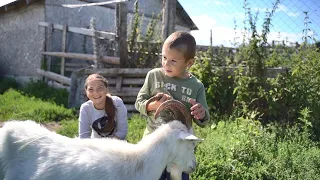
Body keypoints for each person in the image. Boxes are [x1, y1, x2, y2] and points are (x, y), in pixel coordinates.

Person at [135, 31, 210, 180]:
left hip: (179, 147)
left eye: (173, 61)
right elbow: (139, 103)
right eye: (164, 57)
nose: (166, 64)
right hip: (153, 143)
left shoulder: (196, 86)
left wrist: (201, 114)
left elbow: (204, 119)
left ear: (189, 63)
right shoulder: (154, 75)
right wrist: (153, 106)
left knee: (178, 177)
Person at [79, 73, 128, 140]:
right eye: (91, 89)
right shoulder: (85, 108)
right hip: (96, 147)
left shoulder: (116, 102)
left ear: (106, 89)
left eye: (100, 88)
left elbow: (122, 132)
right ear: (86, 91)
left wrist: (106, 147)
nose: (96, 93)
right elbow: (83, 137)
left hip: (117, 146)